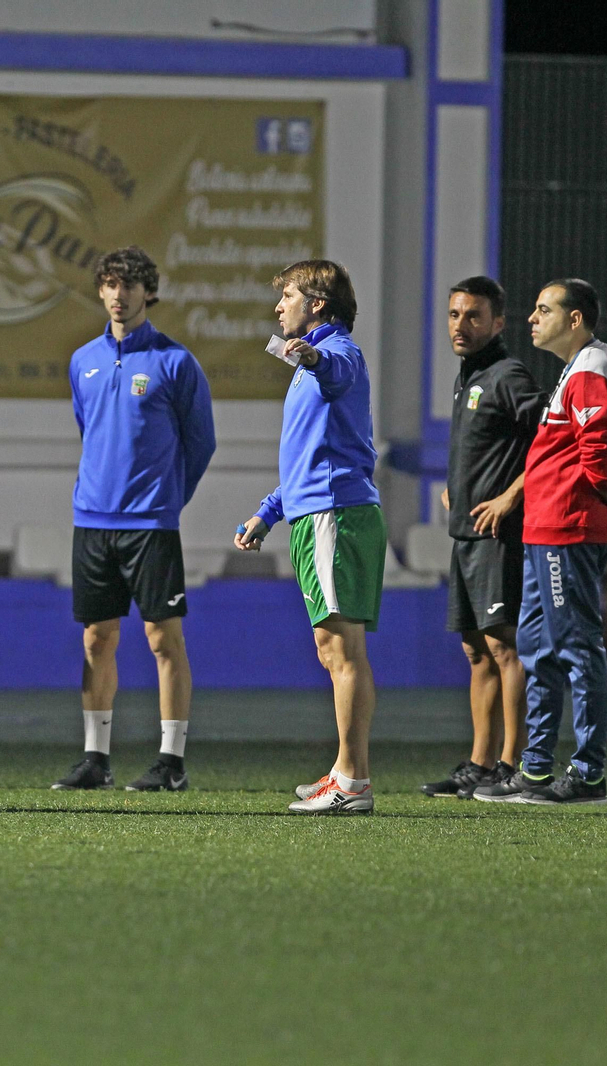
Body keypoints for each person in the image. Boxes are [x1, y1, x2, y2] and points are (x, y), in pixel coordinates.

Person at [52, 247, 215, 793]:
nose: (118, 295)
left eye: (129, 285)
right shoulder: (82, 360)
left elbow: (201, 442)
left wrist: (169, 499)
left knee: (163, 639)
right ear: (100, 290)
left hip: (151, 524)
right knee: (96, 639)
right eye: (110, 284)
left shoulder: (175, 362)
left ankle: (171, 761)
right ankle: (95, 759)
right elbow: (89, 428)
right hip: (93, 519)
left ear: (149, 292)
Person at [235, 259, 384, 815]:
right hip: (316, 513)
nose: (279, 307)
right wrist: (268, 513)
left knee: (343, 652)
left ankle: (353, 782)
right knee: (331, 650)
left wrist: (315, 357)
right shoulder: (307, 364)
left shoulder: (337, 352)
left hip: (334, 515)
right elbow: (310, 456)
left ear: (317, 304)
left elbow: (338, 370)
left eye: (289, 297)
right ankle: (345, 772)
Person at [476, 278, 607, 805]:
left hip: (567, 529)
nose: (532, 318)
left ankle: (589, 773)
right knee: (537, 648)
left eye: (543, 309)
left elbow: (599, 448)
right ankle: (534, 769)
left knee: (576, 647)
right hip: (545, 528)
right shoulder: (576, 368)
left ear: (575, 319)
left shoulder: (593, 367)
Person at [423, 276, 544, 799]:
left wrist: (511, 496)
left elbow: (554, 439)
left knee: (503, 646)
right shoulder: (469, 376)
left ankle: (512, 765)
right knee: (475, 650)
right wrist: (458, 486)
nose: (461, 325)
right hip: (466, 534)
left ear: (498, 322)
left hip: (498, 535)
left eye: (473, 316)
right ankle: (480, 763)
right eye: (454, 314)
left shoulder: (507, 374)